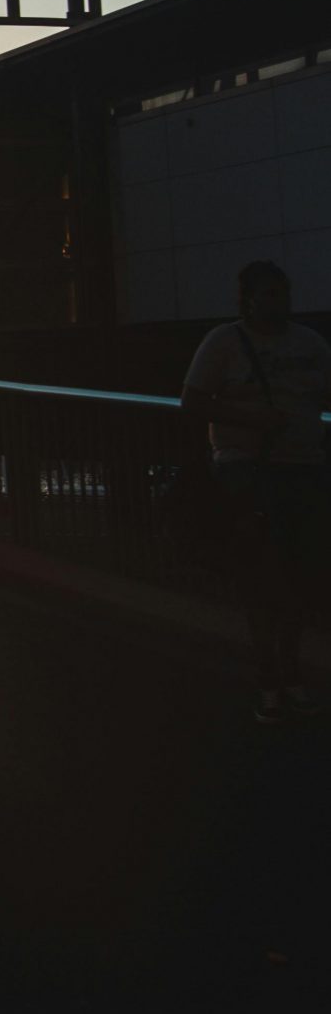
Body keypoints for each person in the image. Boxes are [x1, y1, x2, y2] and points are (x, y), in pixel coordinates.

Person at [181, 260, 330, 723]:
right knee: (267, 575)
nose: (279, 303)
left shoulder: (309, 343)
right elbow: (194, 401)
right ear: (248, 299)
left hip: (303, 467)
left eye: (281, 293)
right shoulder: (225, 342)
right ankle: (275, 676)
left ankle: (285, 674)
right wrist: (254, 421)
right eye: (269, 294)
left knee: (296, 576)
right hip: (250, 470)